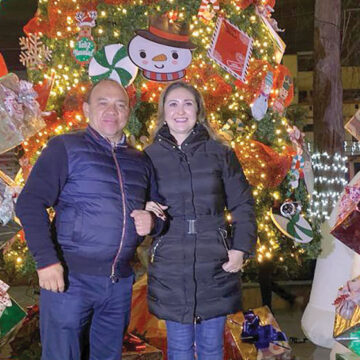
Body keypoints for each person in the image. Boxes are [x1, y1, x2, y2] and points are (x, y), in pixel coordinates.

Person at [16, 79, 166, 360]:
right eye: (103, 103)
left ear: (128, 113)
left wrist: (154, 223)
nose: (112, 110)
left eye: (120, 105)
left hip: (119, 283)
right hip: (71, 281)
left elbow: (158, 211)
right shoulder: (65, 147)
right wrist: (46, 261)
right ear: (86, 109)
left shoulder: (140, 161)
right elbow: (30, 203)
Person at [144, 81, 257, 360]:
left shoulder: (221, 154)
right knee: (179, 349)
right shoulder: (148, 157)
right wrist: (143, 205)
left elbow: (243, 203)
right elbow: (134, 202)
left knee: (210, 348)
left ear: (199, 111)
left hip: (215, 261)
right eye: (173, 103)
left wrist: (240, 248)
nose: (180, 110)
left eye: (187, 103)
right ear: (163, 112)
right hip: (171, 261)